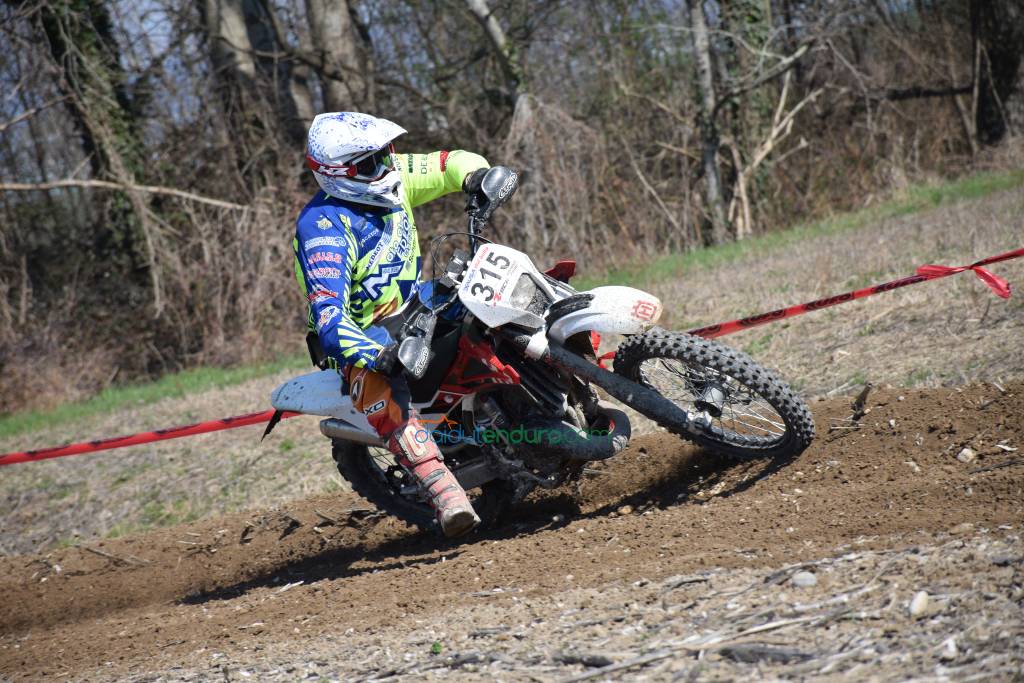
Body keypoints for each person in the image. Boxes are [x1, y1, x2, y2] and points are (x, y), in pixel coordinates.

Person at [294, 111, 506, 537]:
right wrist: (380, 356)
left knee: (494, 291)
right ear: (339, 174)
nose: (387, 165)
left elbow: (447, 163)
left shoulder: (390, 173)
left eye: (386, 153)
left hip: (416, 300)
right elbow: (330, 319)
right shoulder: (323, 228)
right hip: (364, 333)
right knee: (382, 391)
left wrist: (476, 177)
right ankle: (441, 487)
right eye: (371, 161)